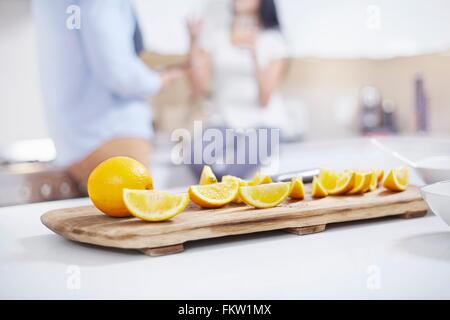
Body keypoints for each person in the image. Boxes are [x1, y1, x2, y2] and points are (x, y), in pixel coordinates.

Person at [32, 0, 183, 190]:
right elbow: (116, 70)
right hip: (111, 135)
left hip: (77, 140)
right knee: (137, 213)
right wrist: (158, 81)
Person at [186, 0, 289, 178]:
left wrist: (255, 54)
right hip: (224, 119)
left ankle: (224, 193)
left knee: (233, 173)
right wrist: (193, 41)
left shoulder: (274, 41)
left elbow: (264, 98)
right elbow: (199, 88)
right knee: (195, 158)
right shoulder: (218, 36)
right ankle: (221, 194)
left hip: (264, 122)